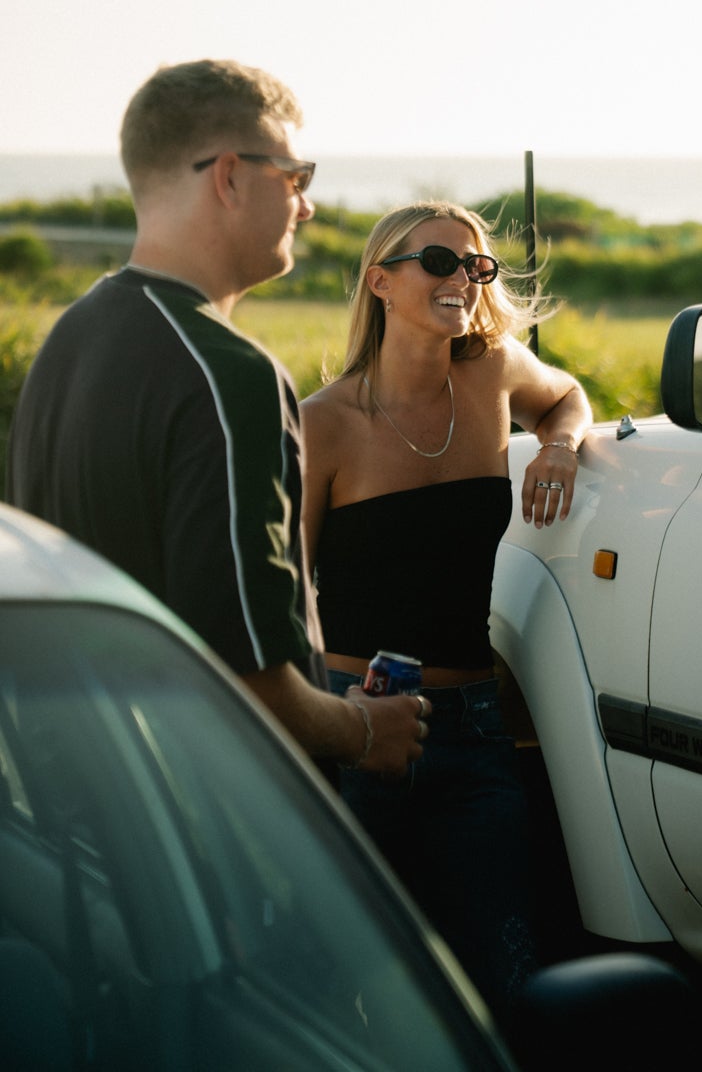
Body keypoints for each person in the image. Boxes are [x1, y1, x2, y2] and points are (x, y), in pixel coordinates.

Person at [6, 59, 427, 778]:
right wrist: (362, 729)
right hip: (200, 805)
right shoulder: (228, 372)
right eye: (295, 177)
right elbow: (248, 680)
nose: (306, 207)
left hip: (78, 787)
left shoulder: (69, 336)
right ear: (229, 177)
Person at [301, 199, 592, 1016]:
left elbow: (566, 396)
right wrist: (326, 725)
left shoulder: (493, 371)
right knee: (350, 982)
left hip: (474, 728)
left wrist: (560, 446)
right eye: (438, 261)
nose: (462, 277)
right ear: (381, 283)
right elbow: (286, 595)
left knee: (505, 976)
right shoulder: (323, 424)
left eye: (476, 265)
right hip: (361, 726)